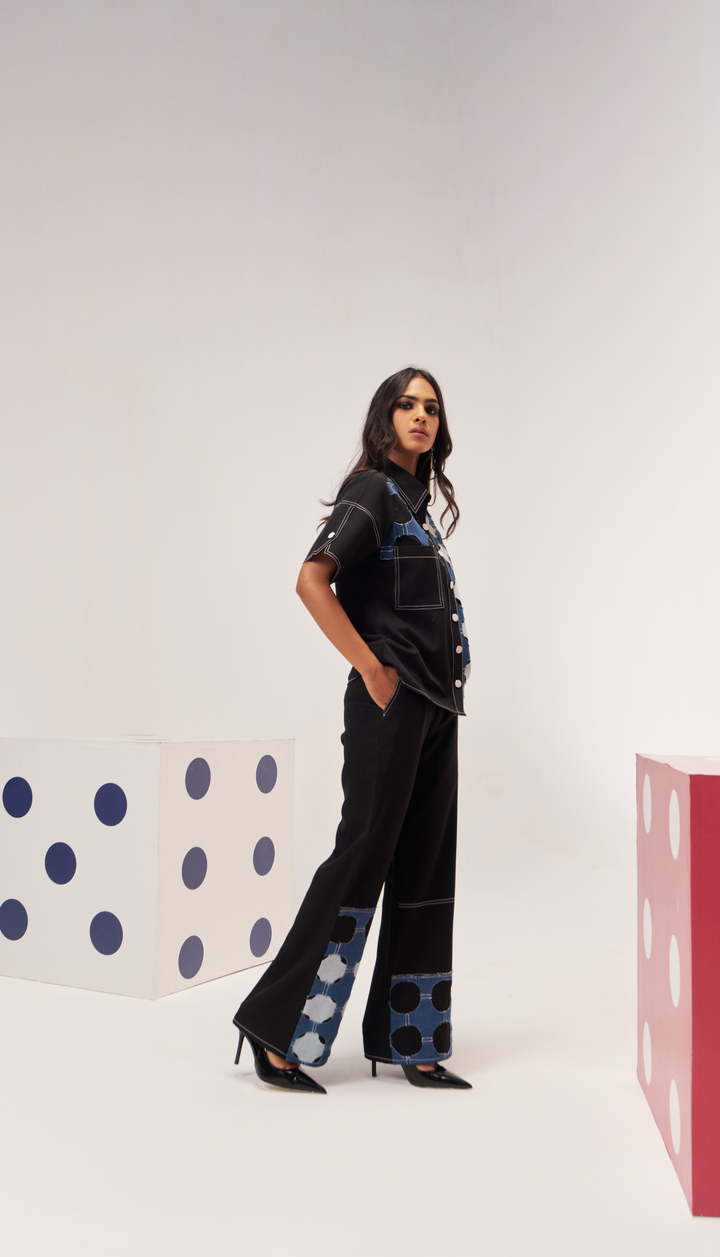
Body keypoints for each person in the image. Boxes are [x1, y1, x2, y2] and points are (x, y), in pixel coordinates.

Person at [232, 366, 472, 1093]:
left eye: (432, 407)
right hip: (390, 703)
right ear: (384, 417)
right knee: (362, 857)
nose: (421, 416)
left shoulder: (418, 509)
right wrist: (371, 668)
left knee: (426, 868)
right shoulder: (371, 490)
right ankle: (278, 1029)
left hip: (436, 706)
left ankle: (411, 1039)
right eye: (406, 404)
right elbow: (312, 578)